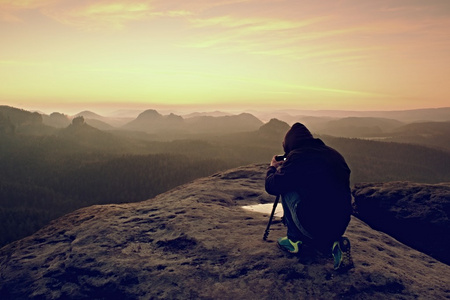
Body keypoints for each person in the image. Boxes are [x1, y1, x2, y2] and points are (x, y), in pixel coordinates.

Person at [265, 122, 354, 271]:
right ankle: (335, 243)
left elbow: (272, 186)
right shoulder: (333, 154)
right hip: (339, 225)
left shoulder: (298, 157)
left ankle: (293, 240)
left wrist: (273, 168)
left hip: (313, 226)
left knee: (286, 188)